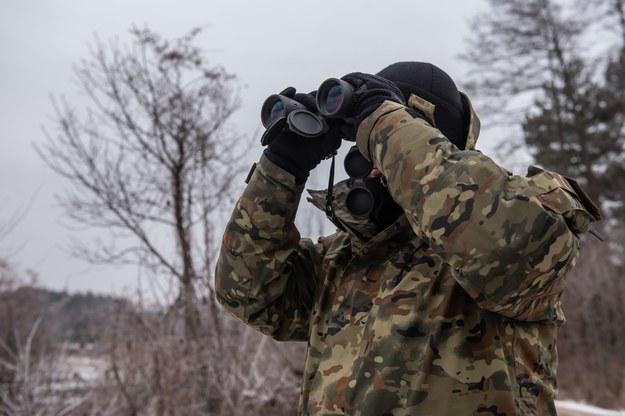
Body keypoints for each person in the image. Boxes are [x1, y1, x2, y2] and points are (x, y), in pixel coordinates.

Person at [214, 62, 601, 415]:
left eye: (385, 140)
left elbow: (498, 245)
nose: (372, 162)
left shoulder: (516, 222)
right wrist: (283, 166)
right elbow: (248, 292)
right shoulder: (342, 259)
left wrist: (381, 119)